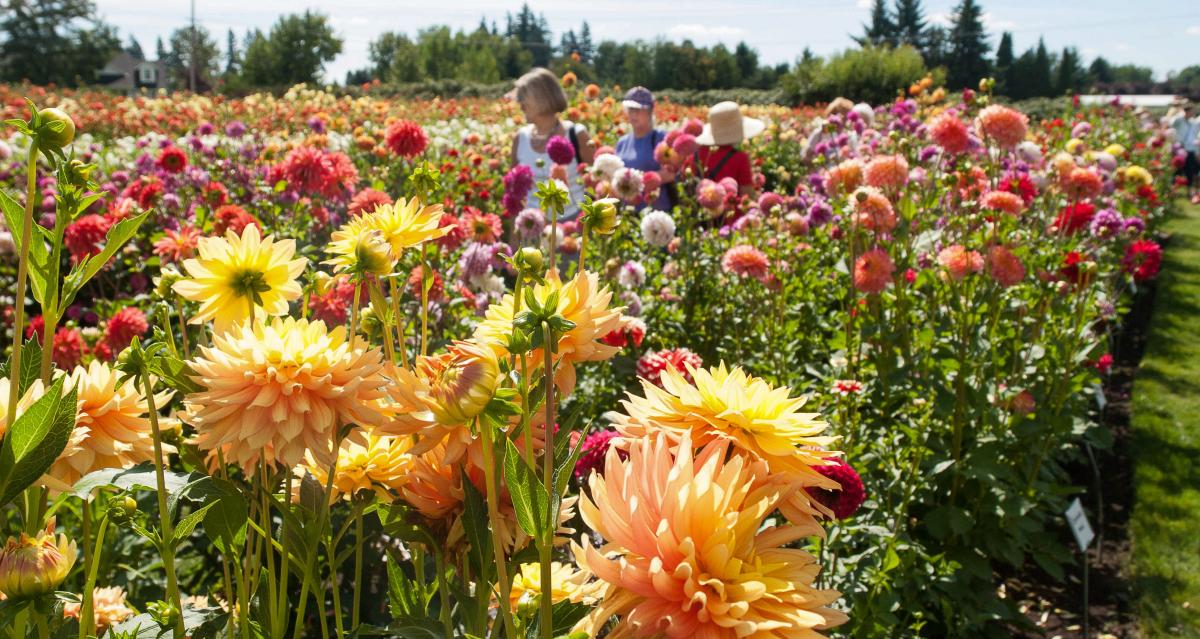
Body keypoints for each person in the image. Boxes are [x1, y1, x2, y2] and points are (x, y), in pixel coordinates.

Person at [509, 68, 595, 220]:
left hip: (573, 223)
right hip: (532, 225)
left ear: (542, 98)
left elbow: (595, 185)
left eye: (524, 97)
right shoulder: (520, 138)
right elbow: (515, 191)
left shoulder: (576, 134)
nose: (520, 104)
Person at [614, 86, 674, 211]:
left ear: (650, 112)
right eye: (631, 109)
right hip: (628, 213)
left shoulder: (661, 138)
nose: (634, 114)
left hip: (656, 211)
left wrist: (636, 182)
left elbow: (670, 173)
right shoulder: (622, 142)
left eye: (639, 109)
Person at [695, 101, 764, 200]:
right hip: (731, 212)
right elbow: (746, 196)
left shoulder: (697, 154)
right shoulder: (740, 158)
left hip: (698, 212)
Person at [1171, 102, 1199, 198]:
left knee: (1190, 171)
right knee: (1176, 170)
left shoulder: (1192, 122)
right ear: (1187, 111)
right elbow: (1171, 125)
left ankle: (1189, 191)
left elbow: (1193, 136)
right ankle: (1172, 190)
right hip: (1179, 149)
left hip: (1189, 149)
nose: (1193, 113)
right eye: (1191, 111)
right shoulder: (1178, 120)